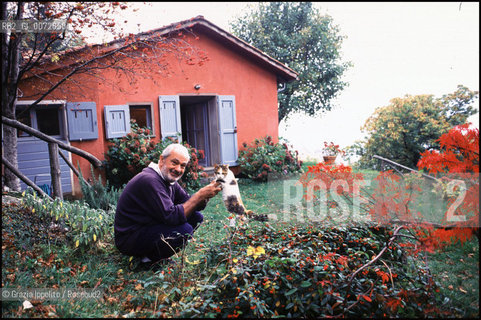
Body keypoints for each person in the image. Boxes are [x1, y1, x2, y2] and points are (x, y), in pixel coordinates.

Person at [114, 143, 221, 268]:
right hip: (129, 238)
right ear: (161, 160)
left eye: (183, 165)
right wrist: (199, 195)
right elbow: (171, 216)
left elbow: (190, 204)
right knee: (184, 230)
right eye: (174, 163)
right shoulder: (150, 179)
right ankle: (147, 260)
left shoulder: (167, 179)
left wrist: (206, 194)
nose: (178, 169)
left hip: (148, 227)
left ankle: (154, 256)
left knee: (196, 217)